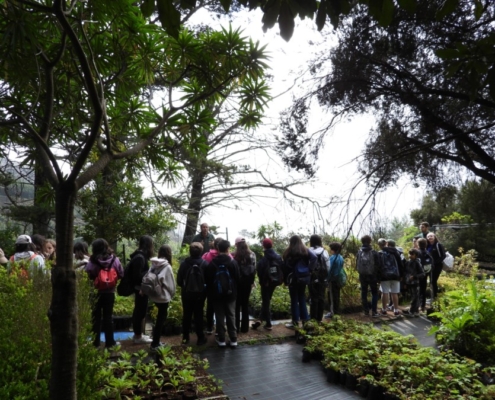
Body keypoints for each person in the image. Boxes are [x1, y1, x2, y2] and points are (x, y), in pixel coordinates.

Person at [84, 238, 124, 348]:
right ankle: (110, 342)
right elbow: (121, 273)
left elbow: (87, 273)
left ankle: (95, 343)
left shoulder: (92, 261)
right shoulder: (114, 260)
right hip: (109, 292)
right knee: (108, 317)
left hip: (95, 292)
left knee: (95, 318)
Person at [204, 240, 240, 348]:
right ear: (228, 249)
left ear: (218, 249)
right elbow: (237, 278)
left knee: (219, 316)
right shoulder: (233, 262)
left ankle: (222, 339)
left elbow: (208, 280)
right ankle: (233, 339)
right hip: (230, 294)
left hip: (216, 295)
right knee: (231, 315)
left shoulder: (213, 263)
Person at [177, 242, 208, 346]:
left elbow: (179, 281)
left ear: (189, 251)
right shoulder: (205, 264)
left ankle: (186, 338)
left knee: (187, 315)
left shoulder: (184, 264)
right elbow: (208, 281)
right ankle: (200, 338)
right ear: (201, 251)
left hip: (187, 294)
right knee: (198, 314)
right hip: (200, 295)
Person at [146, 244, 176, 352]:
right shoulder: (167, 266)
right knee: (161, 319)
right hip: (163, 296)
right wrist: (172, 294)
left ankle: (156, 340)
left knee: (158, 318)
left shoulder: (154, 264)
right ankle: (155, 343)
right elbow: (171, 284)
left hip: (154, 295)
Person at [283, 235, 316, 329]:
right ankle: (305, 320)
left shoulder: (288, 252)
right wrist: (309, 269)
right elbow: (314, 257)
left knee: (294, 300)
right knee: (302, 297)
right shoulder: (305, 250)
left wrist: (285, 280)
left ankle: (295, 322)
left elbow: (285, 266)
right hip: (303, 277)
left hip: (292, 278)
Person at [251, 238, 283, 331]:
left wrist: (261, 282)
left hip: (266, 283)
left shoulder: (263, 259)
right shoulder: (278, 257)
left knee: (266, 301)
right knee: (267, 299)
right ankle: (260, 319)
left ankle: (268, 323)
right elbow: (282, 267)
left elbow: (259, 271)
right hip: (275, 281)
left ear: (263, 246)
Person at [202, 237, 233, 334]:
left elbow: (204, 270)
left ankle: (209, 327)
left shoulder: (207, 255)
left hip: (212, 288)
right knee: (224, 310)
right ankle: (221, 330)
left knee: (210, 307)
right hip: (227, 288)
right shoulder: (230, 258)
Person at [128, 235, 155, 344]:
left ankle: (137, 334)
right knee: (140, 311)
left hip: (140, 288)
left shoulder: (139, 255)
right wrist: (150, 272)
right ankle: (138, 336)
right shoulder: (140, 257)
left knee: (139, 311)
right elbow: (137, 276)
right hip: (140, 289)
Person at [232, 237, 256, 333]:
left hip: (237, 282)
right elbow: (254, 269)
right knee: (245, 304)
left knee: (236, 305)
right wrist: (252, 282)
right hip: (247, 282)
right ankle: (245, 328)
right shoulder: (252, 254)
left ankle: (236, 327)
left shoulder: (234, 255)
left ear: (236, 245)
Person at [377, 238, 403, 317]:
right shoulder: (396, 252)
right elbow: (400, 265)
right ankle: (396, 310)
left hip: (384, 276)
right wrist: (401, 275)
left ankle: (384, 310)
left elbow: (378, 266)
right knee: (394, 293)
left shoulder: (380, 253)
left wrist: (378, 277)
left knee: (384, 292)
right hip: (395, 275)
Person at [356, 235, 381, 318]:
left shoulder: (359, 252)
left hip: (362, 275)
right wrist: (377, 276)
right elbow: (378, 265)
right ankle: (374, 311)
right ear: (370, 241)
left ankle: (366, 311)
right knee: (374, 293)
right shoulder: (374, 252)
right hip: (372, 276)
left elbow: (357, 264)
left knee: (364, 292)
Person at [308, 234, 329, 323]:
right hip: (322, 279)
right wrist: (325, 277)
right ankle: (319, 319)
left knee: (313, 297)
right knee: (321, 297)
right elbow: (328, 266)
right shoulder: (324, 252)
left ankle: (313, 318)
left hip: (311, 278)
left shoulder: (308, 251)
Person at [402, 249, 425, 317]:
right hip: (409, 282)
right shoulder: (407, 262)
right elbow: (405, 273)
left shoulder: (417, 263)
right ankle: (414, 310)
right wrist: (405, 283)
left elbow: (422, 273)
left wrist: (414, 277)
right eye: (409, 254)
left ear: (416, 255)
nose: (410, 256)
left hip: (415, 283)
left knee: (415, 297)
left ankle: (412, 311)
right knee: (412, 296)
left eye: (412, 254)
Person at [426, 232, 446, 301]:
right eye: (428, 237)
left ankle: (435, 297)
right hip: (429, 267)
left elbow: (443, 256)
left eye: (431, 236)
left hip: (437, 266)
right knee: (431, 281)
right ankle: (432, 296)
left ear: (434, 237)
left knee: (433, 281)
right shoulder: (427, 246)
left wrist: (435, 263)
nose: (430, 238)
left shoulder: (438, 245)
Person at [327, 242, 344, 318]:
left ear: (333, 250)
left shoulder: (332, 258)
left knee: (332, 297)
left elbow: (329, 270)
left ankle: (333, 313)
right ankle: (336, 312)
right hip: (338, 279)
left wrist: (327, 279)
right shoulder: (340, 257)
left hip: (332, 280)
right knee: (337, 295)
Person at [417, 238, 433, 311]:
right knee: (423, 289)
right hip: (426, 273)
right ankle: (422, 305)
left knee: (417, 289)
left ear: (418, 244)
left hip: (418, 274)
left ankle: (417, 305)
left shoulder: (417, 253)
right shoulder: (428, 252)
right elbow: (432, 263)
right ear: (426, 244)